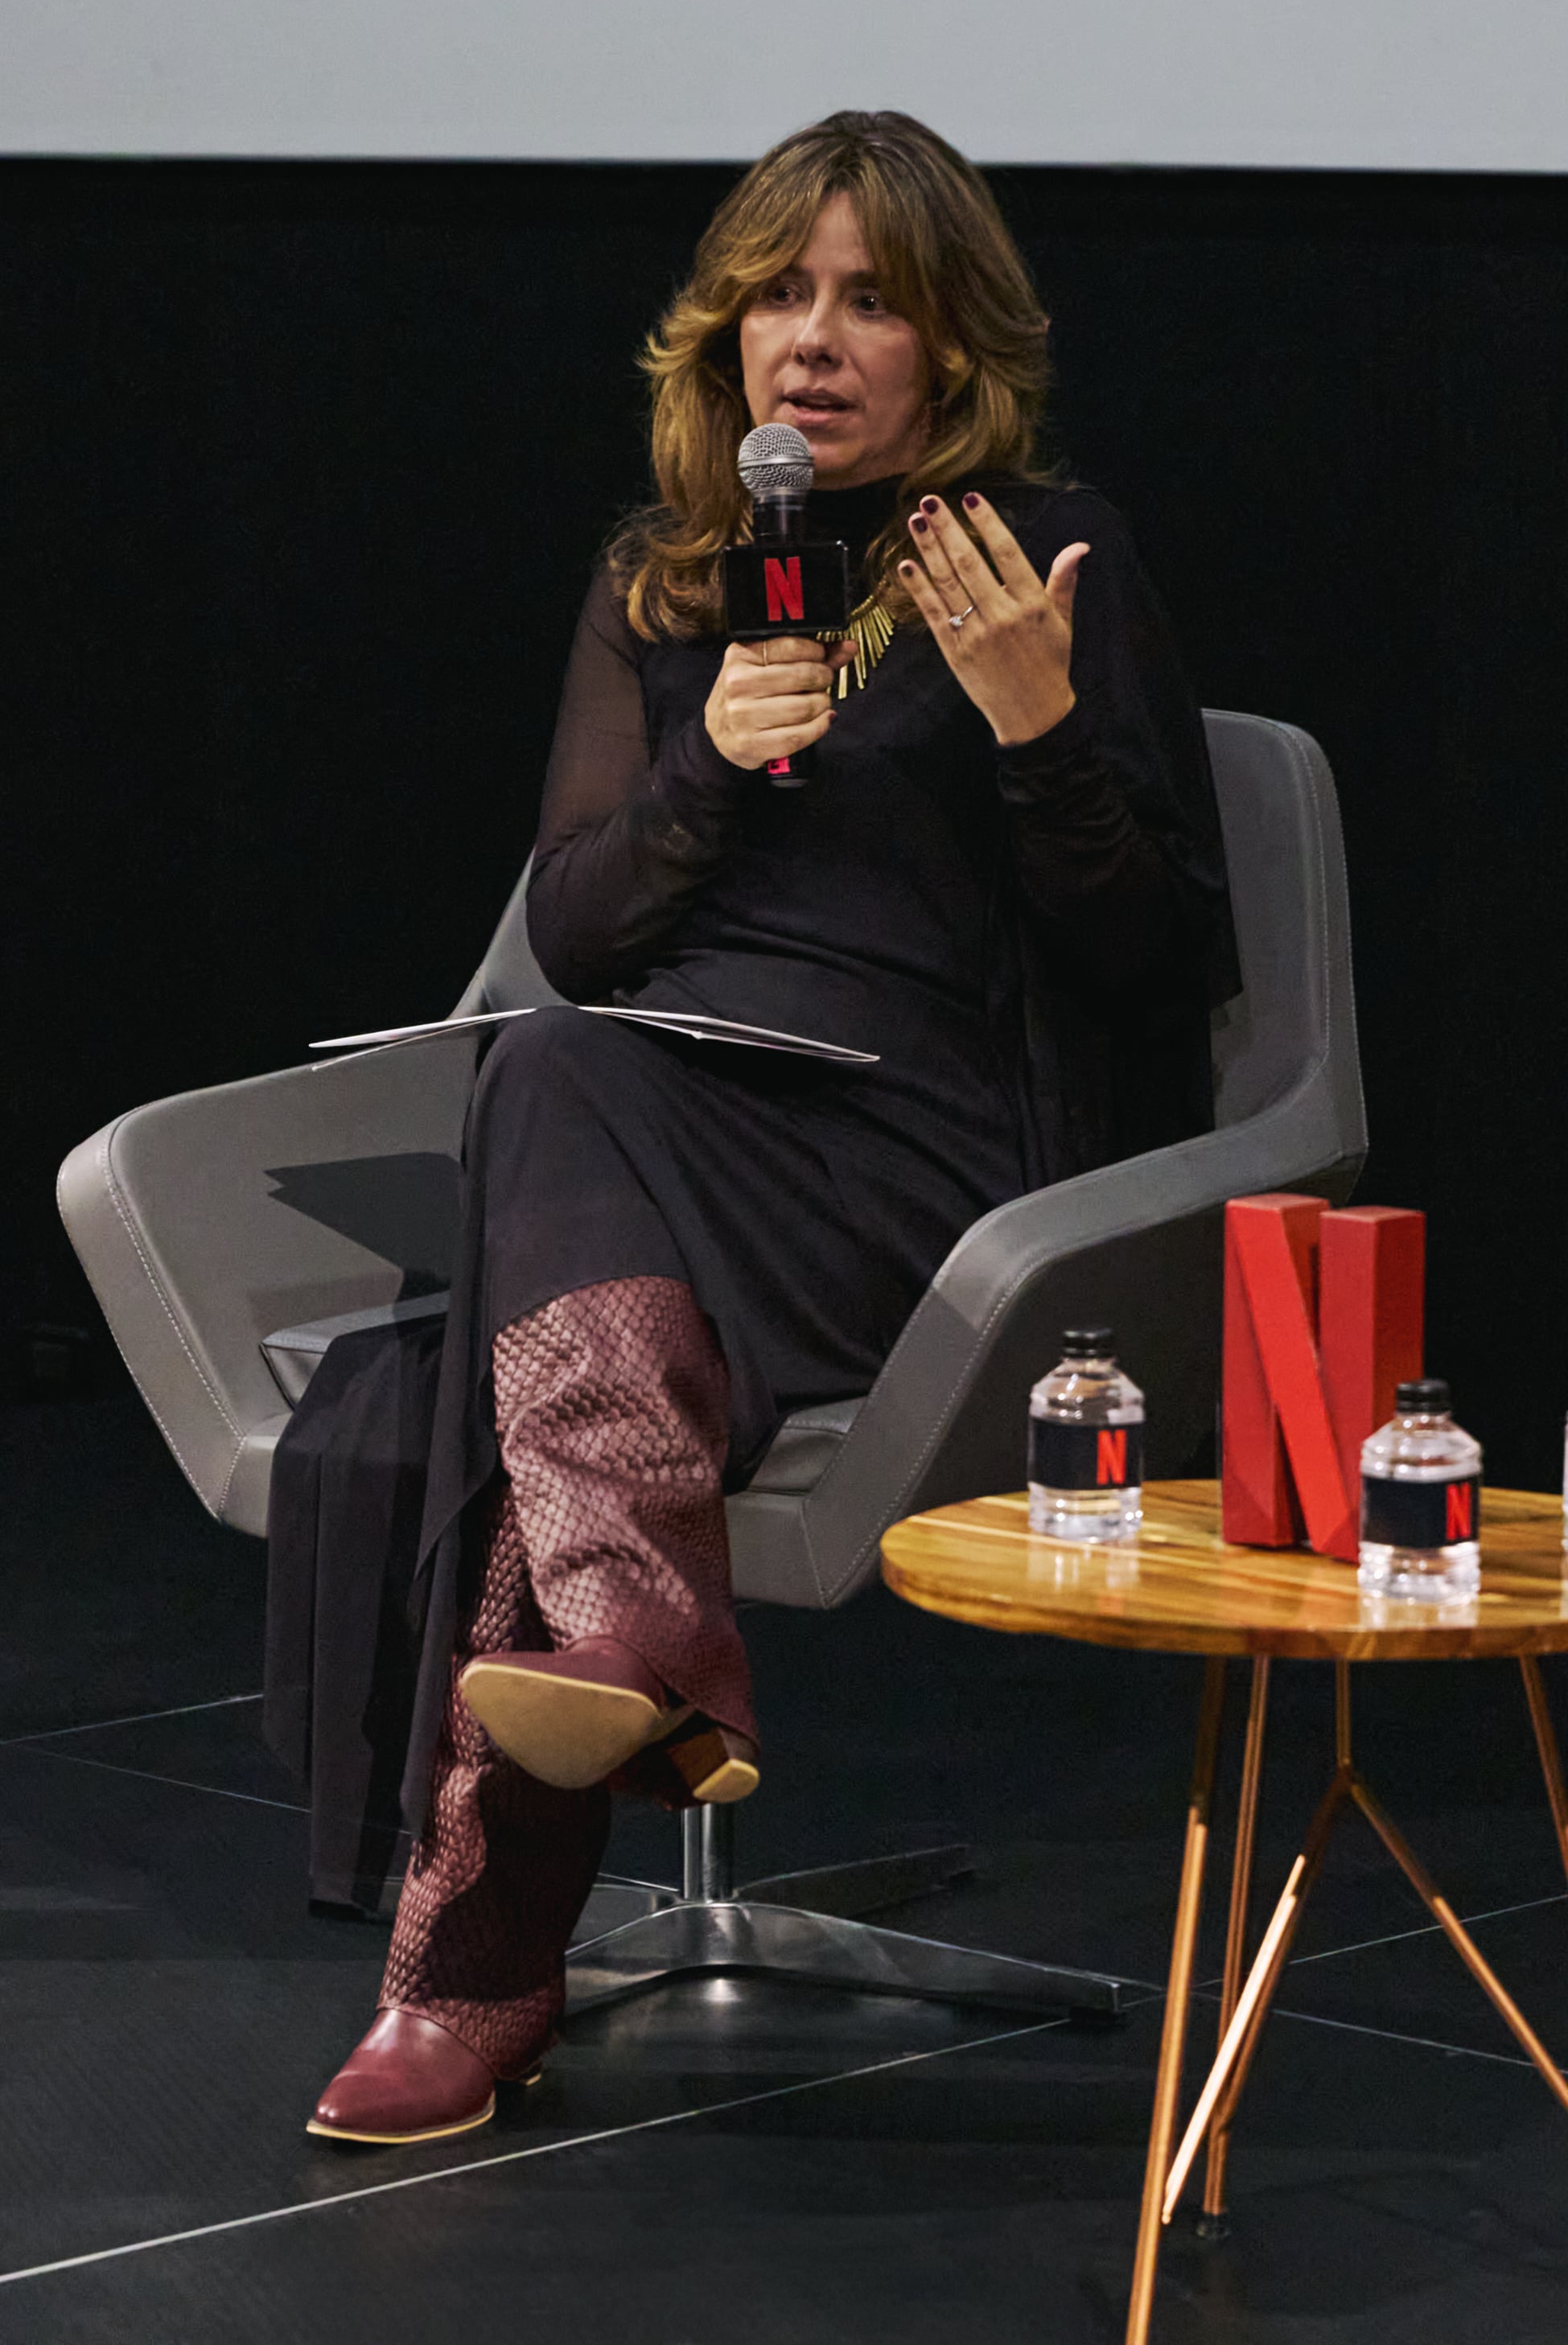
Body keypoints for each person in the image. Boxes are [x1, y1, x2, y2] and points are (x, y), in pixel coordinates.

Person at [298, 108, 1237, 2144]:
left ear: (949, 347)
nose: (813, 339)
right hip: (659, 1128)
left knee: (532, 1210)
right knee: (551, 1072)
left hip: (927, 1167)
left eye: (870, 300)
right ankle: (621, 1652)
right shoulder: (670, 584)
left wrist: (1039, 727)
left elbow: (1171, 961)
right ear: (721, 337)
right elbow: (568, 927)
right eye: (778, 294)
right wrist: (709, 772)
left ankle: (475, 1962)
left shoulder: (1043, 553)